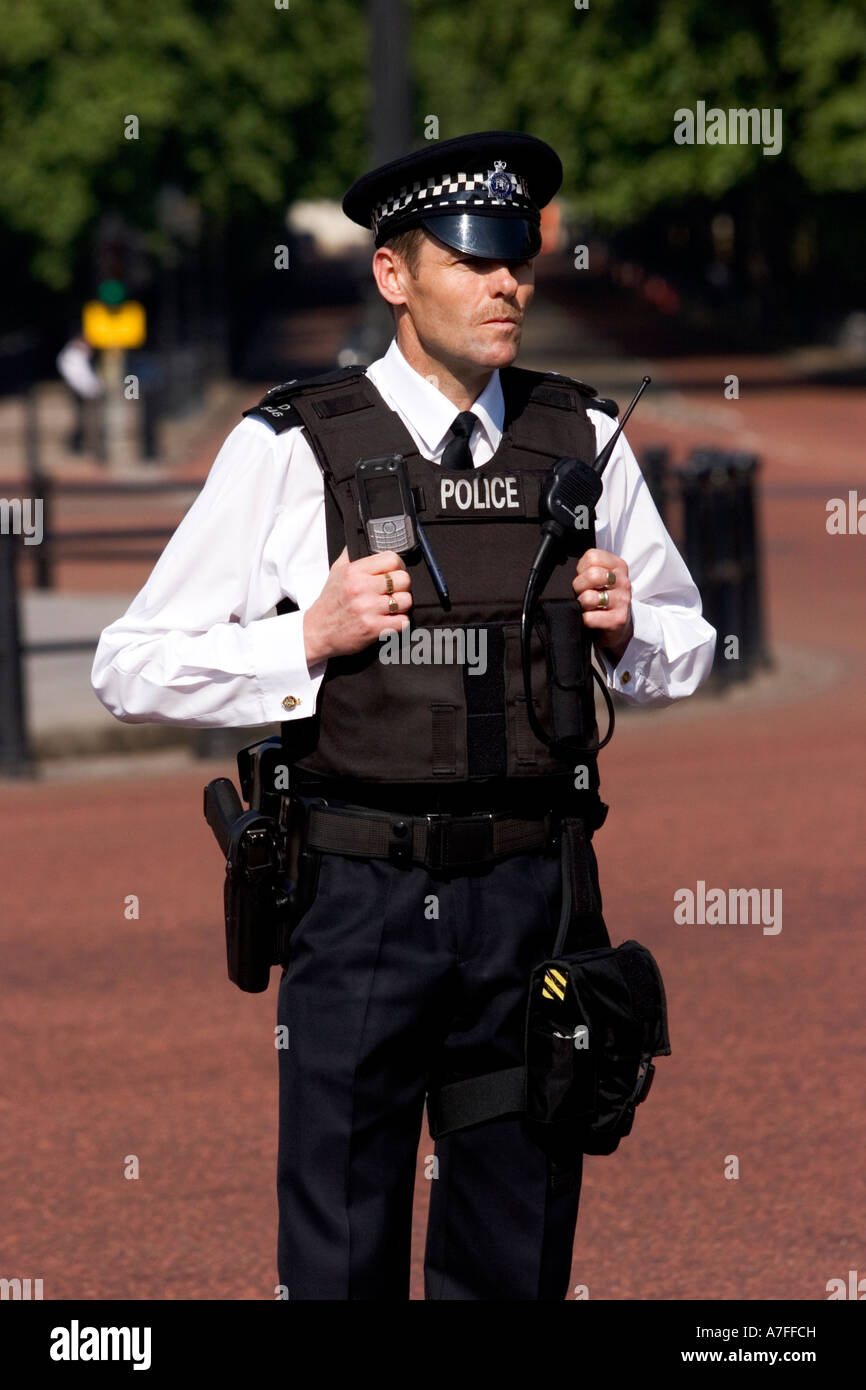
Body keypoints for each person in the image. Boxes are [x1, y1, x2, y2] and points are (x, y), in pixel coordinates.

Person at [91, 130, 716, 1301]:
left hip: (538, 897)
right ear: (394, 275)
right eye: (473, 259)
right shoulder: (288, 447)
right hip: (359, 901)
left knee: (514, 1260)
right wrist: (304, 638)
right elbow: (129, 667)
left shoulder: (576, 437)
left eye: (517, 258)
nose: (507, 285)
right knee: (338, 1259)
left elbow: (685, 644)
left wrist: (630, 628)